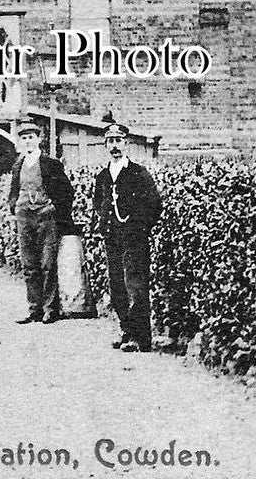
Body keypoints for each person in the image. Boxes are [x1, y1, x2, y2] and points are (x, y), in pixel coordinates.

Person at [93, 121, 162, 353]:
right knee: (117, 286)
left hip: (134, 239)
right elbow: (98, 204)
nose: (115, 146)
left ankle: (141, 337)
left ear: (126, 144)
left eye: (118, 141)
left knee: (136, 285)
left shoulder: (138, 173)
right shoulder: (102, 176)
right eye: (110, 142)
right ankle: (126, 331)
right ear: (105, 145)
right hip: (112, 237)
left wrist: (139, 227)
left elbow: (154, 204)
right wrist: (103, 224)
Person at [7, 120, 74, 325]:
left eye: (31, 137)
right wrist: (15, 207)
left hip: (46, 218)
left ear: (39, 139)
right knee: (29, 264)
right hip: (24, 218)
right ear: (20, 141)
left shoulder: (50, 163)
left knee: (47, 263)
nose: (28, 141)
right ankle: (34, 308)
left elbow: (66, 192)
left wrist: (54, 208)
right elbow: (13, 191)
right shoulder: (18, 165)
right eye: (24, 138)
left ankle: (50, 309)